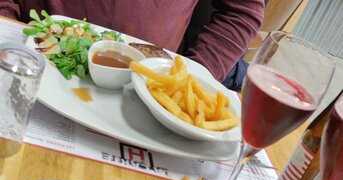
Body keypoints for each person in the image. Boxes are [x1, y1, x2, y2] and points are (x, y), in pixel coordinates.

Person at [0, 1, 264, 85]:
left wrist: (186, 81)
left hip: (144, 88)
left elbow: (241, 12)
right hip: (27, 60)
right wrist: (6, 29)